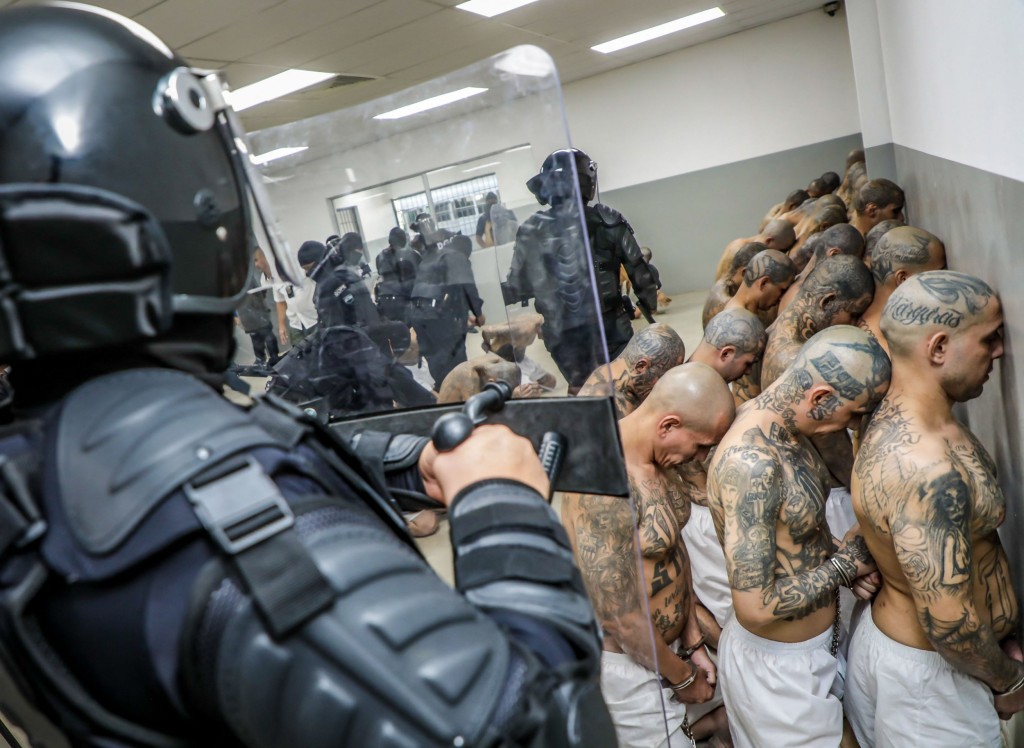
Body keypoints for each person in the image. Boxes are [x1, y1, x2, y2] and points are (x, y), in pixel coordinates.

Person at [0, 6, 617, 748]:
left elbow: (207, 463)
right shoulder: (244, 544)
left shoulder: (43, 453)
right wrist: (503, 506)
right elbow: (535, 728)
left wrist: (402, 460)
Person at [847, 271, 1023, 747]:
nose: (1001, 352)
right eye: (990, 339)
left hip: (918, 664)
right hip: (934, 687)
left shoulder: (897, 416)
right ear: (939, 348)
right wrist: (1010, 682)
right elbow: (950, 624)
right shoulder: (924, 467)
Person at [706, 326, 891, 748]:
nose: (852, 425)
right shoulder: (750, 463)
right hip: (777, 673)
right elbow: (755, 606)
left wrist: (837, 554)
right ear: (821, 398)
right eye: (851, 414)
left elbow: (795, 533)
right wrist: (844, 567)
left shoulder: (789, 428)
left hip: (818, 644)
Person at [562, 364, 736, 748]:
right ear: (668, 425)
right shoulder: (603, 485)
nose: (700, 457)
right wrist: (683, 678)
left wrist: (692, 642)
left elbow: (675, 554)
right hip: (628, 667)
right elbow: (621, 618)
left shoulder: (659, 461)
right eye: (700, 445)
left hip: (671, 653)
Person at [507, 149, 658, 393]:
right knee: (624, 384)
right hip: (609, 325)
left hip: (561, 332)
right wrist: (649, 300)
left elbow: (516, 285)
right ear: (586, 180)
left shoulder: (530, 230)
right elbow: (638, 268)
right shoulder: (607, 219)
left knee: (581, 387)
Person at [410, 217, 484, 389]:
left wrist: (463, 317)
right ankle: (461, 398)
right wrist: (478, 313)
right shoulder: (456, 256)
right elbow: (468, 288)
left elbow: (445, 293)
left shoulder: (431, 258)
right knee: (456, 360)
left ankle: (445, 396)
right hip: (438, 317)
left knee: (436, 359)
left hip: (419, 316)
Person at [857, 226, 946, 352]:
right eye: (937, 275)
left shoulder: (890, 333)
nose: (944, 284)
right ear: (903, 279)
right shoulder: (884, 353)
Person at [576, 323, 687, 418]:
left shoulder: (610, 371)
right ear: (641, 367)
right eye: (663, 377)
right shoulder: (613, 409)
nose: (664, 385)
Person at [777, 222, 865, 314]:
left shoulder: (793, 285)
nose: (850, 272)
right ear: (834, 254)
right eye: (848, 262)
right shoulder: (807, 299)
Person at [702, 241, 765, 327]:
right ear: (745, 273)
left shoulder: (725, 283)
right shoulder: (727, 304)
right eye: (763, 280)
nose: (762, 285)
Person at [714, 219, 796, 282]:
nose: (780, 254)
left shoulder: (752, 251)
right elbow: (727, 287)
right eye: (781, 250)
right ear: (769, 241)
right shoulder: (739, 249)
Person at [236, 249, 279, 366]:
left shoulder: (240, 277)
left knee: (258, 338)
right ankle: (270, 357)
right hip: (254, 313)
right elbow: (260, 294)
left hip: (249, 313)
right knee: (263, 336)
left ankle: (262, 359)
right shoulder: (247, 275)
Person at [375, 227, 418, 323]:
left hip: (386, 301)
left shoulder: (379, 257)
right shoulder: (411, 254)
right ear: (403, 239)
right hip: (405, 301)